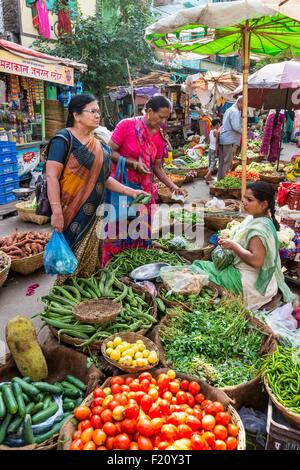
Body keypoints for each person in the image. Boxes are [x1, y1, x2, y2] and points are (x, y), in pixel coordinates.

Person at [46, 94, 147, 280]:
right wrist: (57, 212)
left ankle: (88, 300)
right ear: (76, 115)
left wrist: (130, 191)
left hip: (95, 212)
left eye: (98, 111)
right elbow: (51, 176)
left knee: (91, 265)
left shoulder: (98, 146)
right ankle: (64, 299)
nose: (97, 115)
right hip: (71, 212)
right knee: (70, 263)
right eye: (92, 111)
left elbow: (104, 178)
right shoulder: (63, 140)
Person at [102, 94, 185, 266]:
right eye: (160, 116)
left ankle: (134, 264)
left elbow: (157, 167)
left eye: (166, 118)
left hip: (144, 190)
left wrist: (172, 186)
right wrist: (132, 165)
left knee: (140, 228)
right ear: (148, 111)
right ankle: (113, 266)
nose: (163, 122)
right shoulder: (126, 126)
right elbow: (109, 153)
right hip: (122, 187)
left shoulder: (160, 137)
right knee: (119, 227)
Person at [193, 182, 296, 311]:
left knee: (198, 267)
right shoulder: (261, 219)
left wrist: (234, 246)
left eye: (249, 200)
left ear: (264, 204)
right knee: (207, 267)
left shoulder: (258, 230)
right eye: (244, 198)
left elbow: (256, 261)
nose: (244, 202)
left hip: (251, 286)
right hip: (264, 284)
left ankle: (230, 297)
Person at [218, 96, 243, 180]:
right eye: (244, 105)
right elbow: (236, 127)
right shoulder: (235, 111)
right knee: (227, 162)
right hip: (229, 139)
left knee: (223, 161)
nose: (244, 107)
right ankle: (224, 181)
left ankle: (220, 180)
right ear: (240, 102)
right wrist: (244, 131)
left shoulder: (230, 109)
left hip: (225, 138)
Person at [204, 118, 221, 183]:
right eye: (219, 124)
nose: (219, 125)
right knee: (213, 164)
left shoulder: (211, 131)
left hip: (210, 148)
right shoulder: (216, 131)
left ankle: (209, 177)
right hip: (214, 149)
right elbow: (217, 142)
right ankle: (206, 176)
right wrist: (217, 151)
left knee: (210, 163)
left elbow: (208, 140)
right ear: (217, 124)